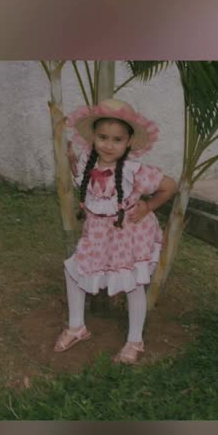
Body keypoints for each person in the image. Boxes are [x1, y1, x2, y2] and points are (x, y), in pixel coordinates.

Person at [54, 98, 177, 364]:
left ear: (129, 141)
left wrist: (148, 206)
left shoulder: (134, 170)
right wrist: (73, 161)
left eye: (117, 140)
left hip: (127, 235)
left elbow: (170, 186)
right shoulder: (88, 162)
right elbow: (84, 183)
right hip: (97, 235)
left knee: (132, 283)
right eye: (103, 137)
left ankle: (135, 340)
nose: (108, 145)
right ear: (94, 137)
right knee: (74, 270)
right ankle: (77, 326)